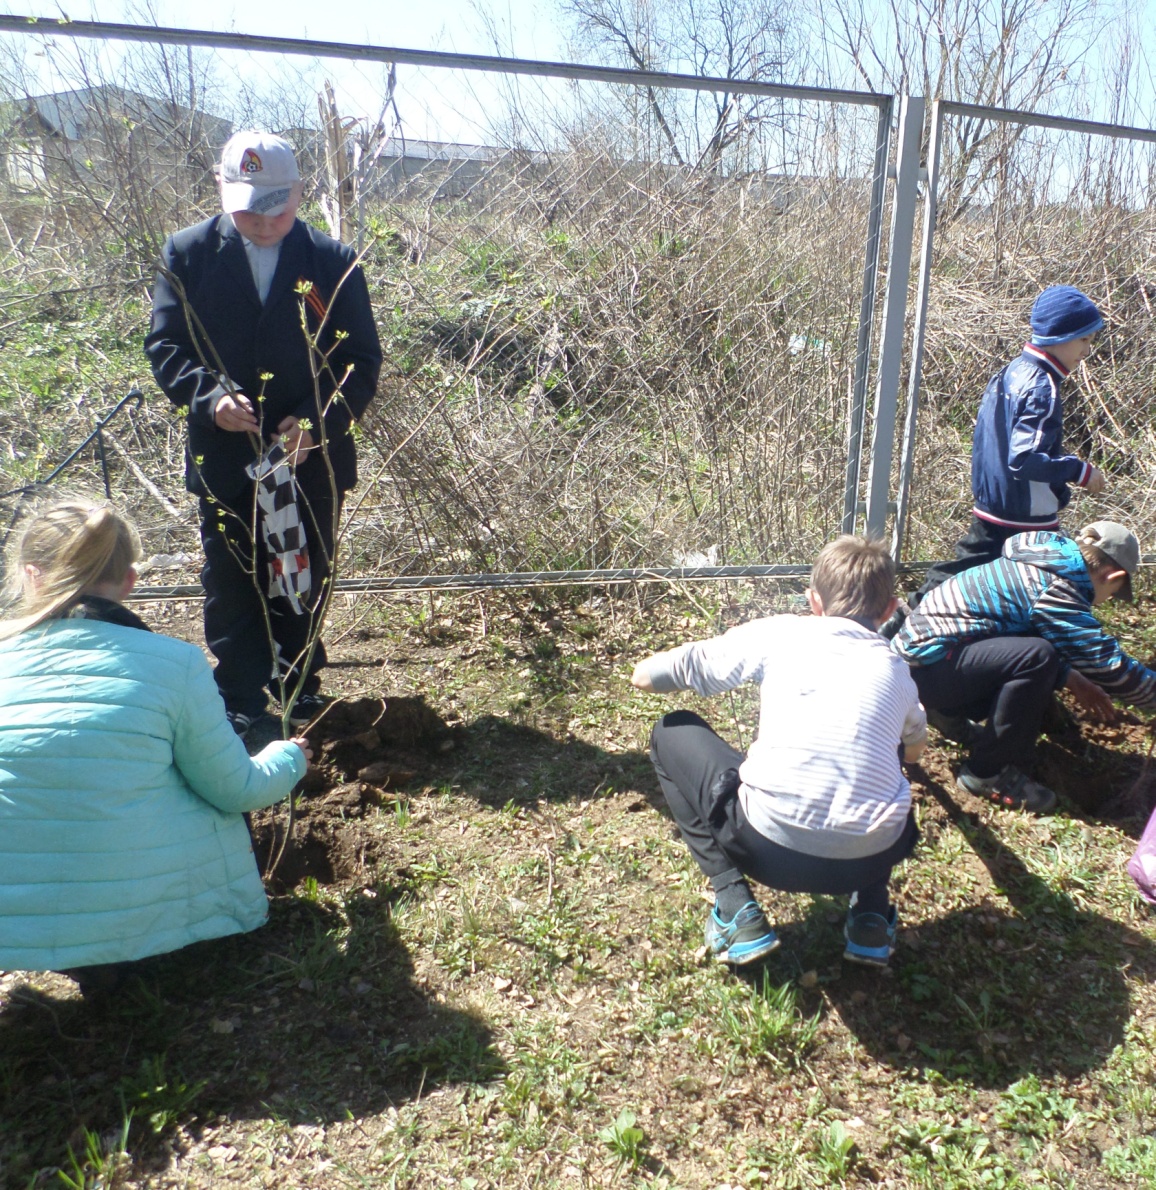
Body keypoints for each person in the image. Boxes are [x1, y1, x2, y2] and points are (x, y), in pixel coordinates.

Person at [0, 500, 312, 992]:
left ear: (30, 575)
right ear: (129, 581)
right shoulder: (176, 664)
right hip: (140, 911)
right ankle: (121, 950)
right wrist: (289, 757)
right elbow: (236, 790)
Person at [146, 130, 382, 735]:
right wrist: (210, 396)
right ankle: (239, 695)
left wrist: (315, 424)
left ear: (301, 192)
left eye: (278, 203)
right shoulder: (187, 255)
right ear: (223, 191)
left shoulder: (331, 262)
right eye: (250, 204)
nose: (265, 218)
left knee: (303, 571)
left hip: (309, 460)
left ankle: (299, 682)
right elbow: (167, 345)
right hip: (227, 456)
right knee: (231, 575)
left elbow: (359, 361)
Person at [632, 536, 927, 968]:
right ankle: (870, 915)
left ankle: (736, 906)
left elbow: (654, 676)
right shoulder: (897, 670)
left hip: (768, 850)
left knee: (670, 730)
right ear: (889, 610)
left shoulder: (781, 634)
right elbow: (916, 747)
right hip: (871, 857)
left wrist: (643, 671)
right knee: (891, 749)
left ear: (813, 601)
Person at [885, 285, 1106, 637]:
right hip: (1023, 515)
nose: (1086, 350)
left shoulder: (1012, 372)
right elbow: (1024, 458)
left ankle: (892, 628)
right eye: (1083, 340)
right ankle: (1068, 661)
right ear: (1060, 335)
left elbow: (991, 444)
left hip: (996, 504)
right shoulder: (1042, 386)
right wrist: (1079, 471)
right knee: (1057, 583)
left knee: (958, 574)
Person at [892, 521, 1154, 815]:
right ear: (1112, 575)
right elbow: (1107, 664)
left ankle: (947, 713)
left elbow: (1021, 632)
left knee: (1040, 650)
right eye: (1113, 592)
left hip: (922, 662)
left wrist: (1071, 678)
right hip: (925, 669)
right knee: (1038, 657)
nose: (1105, 601)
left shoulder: (1041, 561)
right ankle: (986, 773)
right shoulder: (1057, 587)